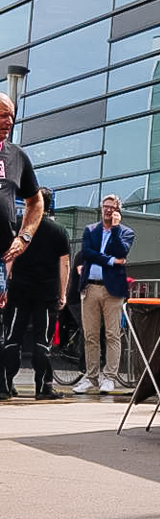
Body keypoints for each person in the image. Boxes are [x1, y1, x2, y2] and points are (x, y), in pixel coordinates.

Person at [2, 187, 70, 399]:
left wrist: (5, 285)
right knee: (43, 341)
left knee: (12, 338)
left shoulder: (18, 227)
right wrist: (62, 293)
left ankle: (4, 387)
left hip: (19, 291)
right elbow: (64, 265)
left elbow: (9, 257)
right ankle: (43, 388)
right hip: (46, 293)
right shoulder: (58, 231)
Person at [0, 92, 44, 401]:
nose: (10, 121)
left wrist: (24, 236)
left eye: (12, 115)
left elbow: (35, 201)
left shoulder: (17, 156)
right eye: (3, 114)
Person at [73, 194, 135, 395]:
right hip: (90, 287)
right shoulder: (91, 230)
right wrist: (110, 261)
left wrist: (116, 229)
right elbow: (87, 253)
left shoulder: (126, 232)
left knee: (112, 334)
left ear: (118, 210)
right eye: (105, 206)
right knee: (90, 335)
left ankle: (109, 377)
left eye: (112, 207)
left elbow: (121, 252)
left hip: (112, 290)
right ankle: (90, 376)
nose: (107, 210)